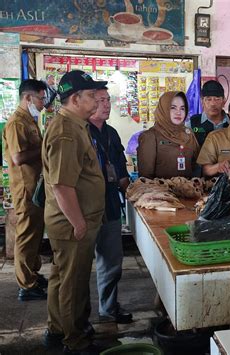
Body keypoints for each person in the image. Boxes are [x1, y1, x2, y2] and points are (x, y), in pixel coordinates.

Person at [42, 70, 107, 354]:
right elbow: (62, 185)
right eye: (91, 95)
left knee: (61, 278)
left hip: (74, 220)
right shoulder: (66, 131)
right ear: (75, 98)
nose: (97, 100)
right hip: (71, 224)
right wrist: (79, 223)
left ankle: (58, 329)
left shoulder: (75, 124)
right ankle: (75, 341)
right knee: (73, 283)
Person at [88, 87, 132, 324]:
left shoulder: (112, 133)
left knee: (112, 262)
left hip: (111, 205)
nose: (106, 104)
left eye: (108, 100)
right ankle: (76, 320)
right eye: (99, 100)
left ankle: (108, 307)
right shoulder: (80, 131)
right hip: (84, 209)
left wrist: (136, 195)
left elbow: (122, 172)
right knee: (78, 268)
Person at [2, 79, 47, 301]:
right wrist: (44, 149)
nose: (43, 103)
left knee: (35, 234)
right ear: (28, 97)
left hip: (35, 187)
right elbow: (18, 157)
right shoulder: (17, 123)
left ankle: (32, 273)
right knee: (26, 236)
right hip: (25, 189)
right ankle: (26, 285)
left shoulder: (29, 119)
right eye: (40, 98)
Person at [138, 91, 200, 179]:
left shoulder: (188, 134)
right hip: (160, 190)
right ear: (164, 109)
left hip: (187, 189)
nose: (178, 112)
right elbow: (146, 177)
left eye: (182, 108)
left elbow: (196, 165)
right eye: (173, 108)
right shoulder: (150, 136)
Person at [187, 80, 230, 146]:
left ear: (224, 101)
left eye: (217, 99)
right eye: (208, 99)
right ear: (202, 101)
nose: (213, 104)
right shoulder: (192, 122)